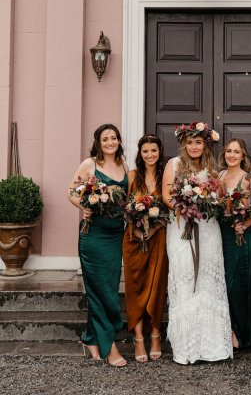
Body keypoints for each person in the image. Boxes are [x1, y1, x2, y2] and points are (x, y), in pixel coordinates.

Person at [162, 122, 233, 365]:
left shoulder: (213, 169)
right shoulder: (174, 165)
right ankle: (186, 347)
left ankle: (212, 345)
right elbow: (166, 195)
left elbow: (220, 196)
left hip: (208, 228)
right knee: (185, 278)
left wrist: (208, 202)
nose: (194, 146)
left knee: (206, 279)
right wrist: (186, 207)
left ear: (205, 145)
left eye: (199, 142)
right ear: (184, 143)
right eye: (190, 142)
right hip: (183, 226)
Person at [68, 124, 128, 367]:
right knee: (100, 290)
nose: (111, 142)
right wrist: (84, 207)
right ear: (98, 142)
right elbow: (71, 191)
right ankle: (109, 345)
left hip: (115, 235)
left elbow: (126, 200)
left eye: (114, 138)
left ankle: (91, 339)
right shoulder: (89, 164)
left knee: (108, 288)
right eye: (106, 139)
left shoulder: (124, 166)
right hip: (93, 236)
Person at [123, 134, 168, 363]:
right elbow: (122, 208)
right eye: (145, 151)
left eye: (154, 151)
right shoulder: (132, 176)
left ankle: (156, 334)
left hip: (158, 237)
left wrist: (155, 226)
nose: (150, 155)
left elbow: (169, 208)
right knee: (135, 286)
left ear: (160, 152)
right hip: (134, 239)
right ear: (140, 154)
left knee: (156, 286)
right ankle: (139, 337)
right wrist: (137, 227)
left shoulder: (165, 177)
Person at [219, 138, 251, 350]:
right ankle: (228, 329)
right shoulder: (220, 176)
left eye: (236, 152)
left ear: (243, 155)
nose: (232, 155)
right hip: (222, 234)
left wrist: (244, 225)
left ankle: (242, 333)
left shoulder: (246, 179)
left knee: (238, 284)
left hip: (239, 234)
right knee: (223, 283)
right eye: (228, 151)